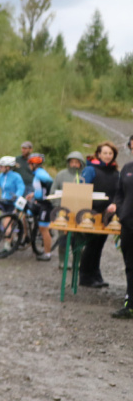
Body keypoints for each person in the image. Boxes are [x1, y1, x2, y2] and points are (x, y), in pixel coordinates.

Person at [78, 141, 119, 288]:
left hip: (108, 215)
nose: (108, 156)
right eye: (105, 153)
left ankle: (95, 274)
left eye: (110, 153)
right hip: (91, 213)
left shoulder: (116, 172)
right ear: (99, 154)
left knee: (99, 245)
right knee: (91, 244)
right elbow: (82, 190)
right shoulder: (90, 170)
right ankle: (85, 276)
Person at [105, 135, 133, 318]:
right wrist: (121, 211)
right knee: (130, 265)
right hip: (127, 225)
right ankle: (130, 305)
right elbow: (119, 193)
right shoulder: (127, 168)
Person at [27, 153, 54, 261]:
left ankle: (47, 254)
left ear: (34, 164)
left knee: (43, 228)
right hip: (39, 202)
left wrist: (48, 195)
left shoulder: (40, 173)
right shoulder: (37, 173)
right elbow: (41, 188)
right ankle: (27, 237)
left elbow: (50, 182)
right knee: (26, 214)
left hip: (46, 204)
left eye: (30, 164)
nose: (29, 166)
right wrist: (34, 194)